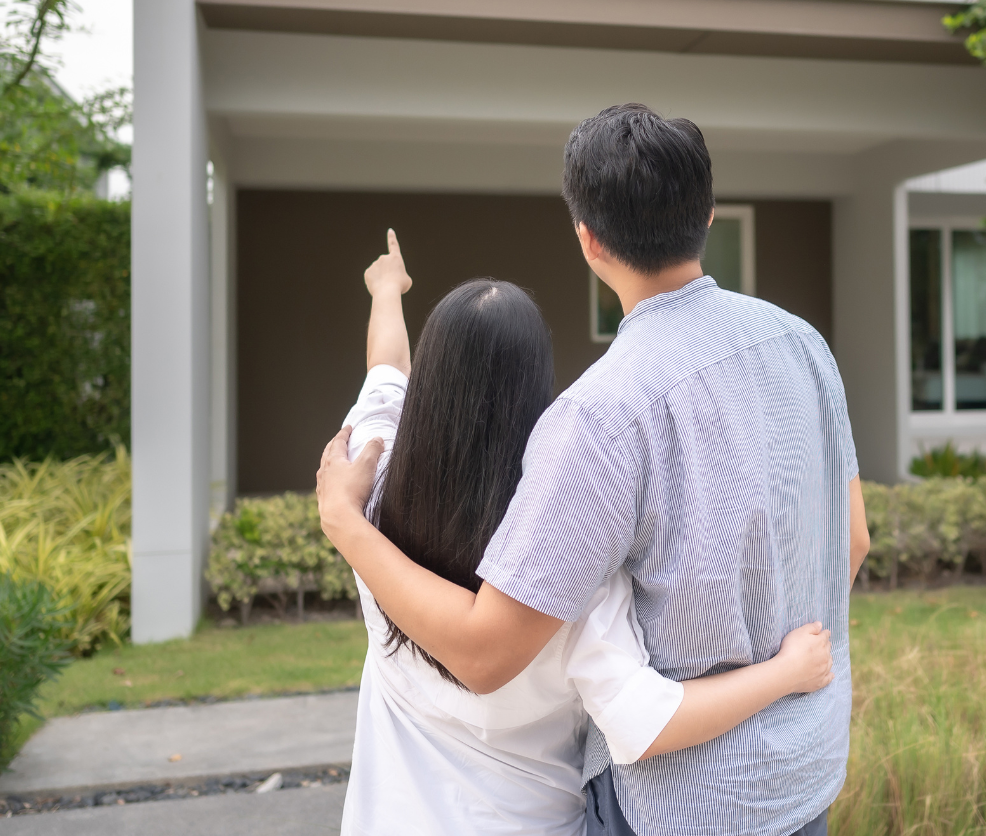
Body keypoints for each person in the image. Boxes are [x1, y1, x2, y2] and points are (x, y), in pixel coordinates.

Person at [318, 104, 868, 836]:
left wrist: (344, 525)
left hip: (685, 803)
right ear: (706, 215)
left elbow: (486, 650)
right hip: (804, 775)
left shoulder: (599, 416)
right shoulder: (803, 345)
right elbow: (853, 541)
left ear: (587, 238)